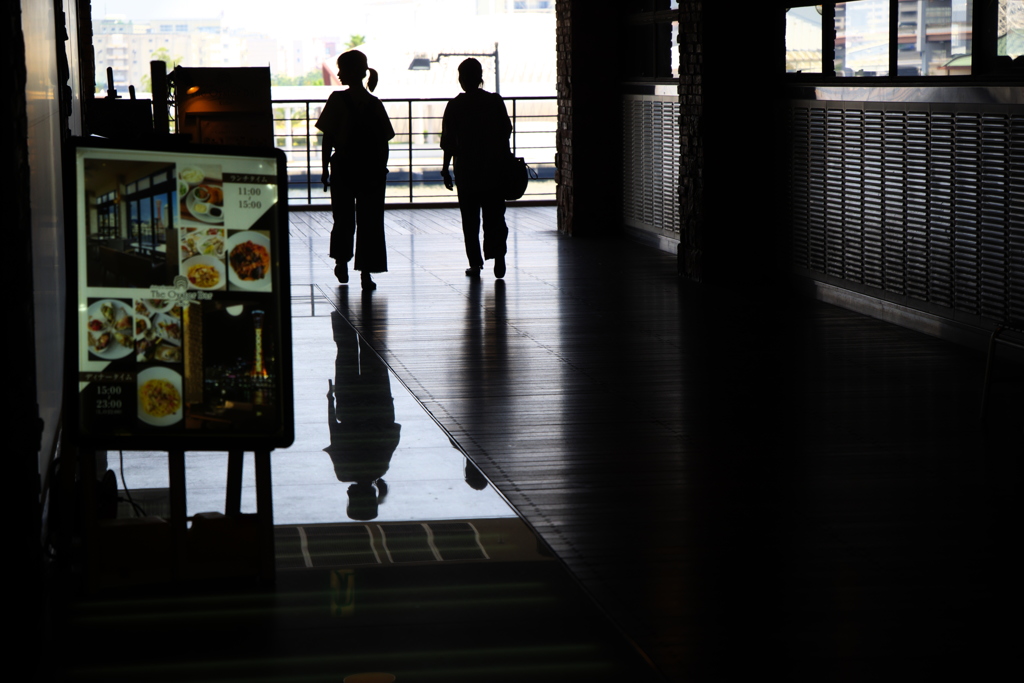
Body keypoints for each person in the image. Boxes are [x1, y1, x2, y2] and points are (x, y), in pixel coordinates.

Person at [316, 50, 395, 290]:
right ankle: (366, 273)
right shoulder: (374, 104)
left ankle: (341, 261)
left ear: (351, 71)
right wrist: (381, 168)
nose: (338, 73)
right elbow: (385, 140)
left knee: (343, 217)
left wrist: (324, 169)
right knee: (370, 221)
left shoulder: (336, 100)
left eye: (341, 69)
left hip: (343, 167)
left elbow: (328, 139)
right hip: (371, 170)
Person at [440, 58, 512, 279]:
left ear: (461, 79)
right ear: (481, 77)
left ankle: (475, 263)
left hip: (467, 170)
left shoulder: (455, 105)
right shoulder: (495, 101)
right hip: (493, 169)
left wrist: (445, 169)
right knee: (495, 216)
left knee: (470, 220)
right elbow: (505, 132)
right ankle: (498, 256)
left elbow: (448, 141)